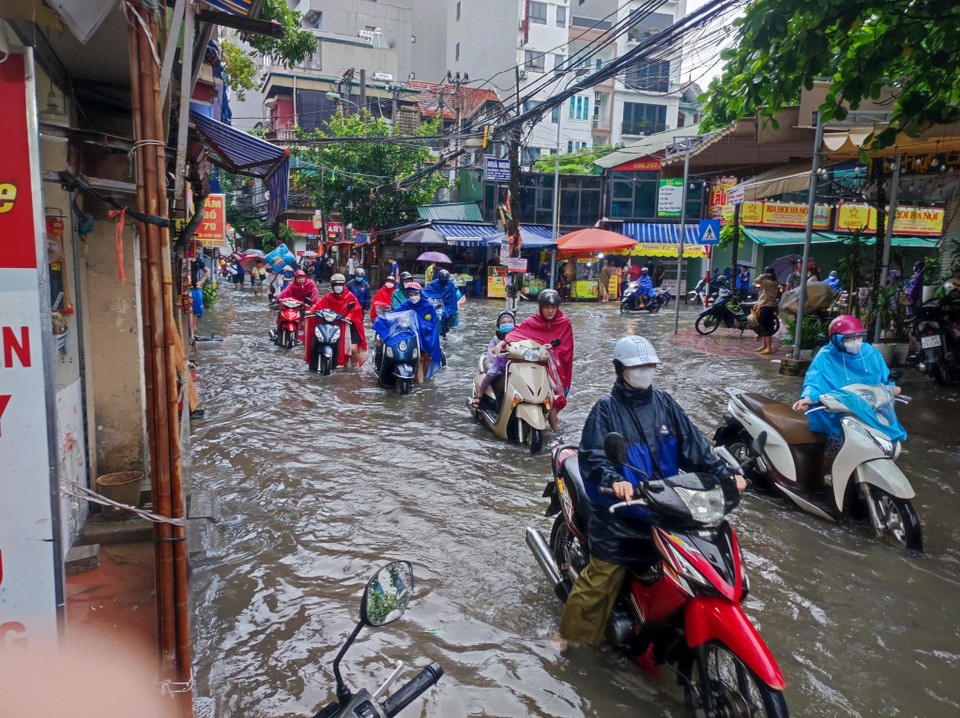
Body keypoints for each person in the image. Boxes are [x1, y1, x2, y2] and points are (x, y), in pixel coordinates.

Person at [558, 335, 746, 648]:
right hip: (620, 515)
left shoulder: (665, 404)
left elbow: (696, 449)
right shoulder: (606, 410)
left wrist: (726, 475)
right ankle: (566, 637)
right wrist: (614, 480)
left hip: (666, 507)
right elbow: (594, 457)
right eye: (637, 366)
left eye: (649, 366)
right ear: (621, 369)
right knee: (601, 578)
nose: (644, 371)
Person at [792, 315, 903, 462]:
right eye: (849, 338)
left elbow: (885, 378)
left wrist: (891, 389)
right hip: (838, 414)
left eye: (858, 336)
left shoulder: (870, 352)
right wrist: (807, 398)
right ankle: (829, 470)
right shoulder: (825, 356)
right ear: (836, 339)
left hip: (869, 411)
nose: (855, 341)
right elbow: (814, 382)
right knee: (835, 452)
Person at [493, 289, 573, 430]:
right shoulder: (533, 321)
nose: (550, 311)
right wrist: (500, 345)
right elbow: (518, 332)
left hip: (554, 368)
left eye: (553, 307)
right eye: (546, 307)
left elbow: (566, 349)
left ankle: (554, 428)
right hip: (534, 365)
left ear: (557, 308)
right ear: (541, 308)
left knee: (553, 395)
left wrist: (553, 354)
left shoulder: (564, 323)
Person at [307, 274, 366, 367]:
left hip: (348, 325)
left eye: (340, 284)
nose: (338, 287)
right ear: (332, 285)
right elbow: (318, 305)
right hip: (334, 325)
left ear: (344, 285)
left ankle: (354, 368)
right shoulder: (329, 297)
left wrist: (349, 316)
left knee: (353, 349)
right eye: (335, 284)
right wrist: (310, 311)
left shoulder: (350, 296)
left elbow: (356, 309)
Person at [390, 282, 442, 383]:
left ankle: (425, 378)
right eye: (411, 295)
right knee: (419, 358)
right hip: (414, 336)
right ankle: (421, 384)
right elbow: (395, 313)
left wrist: (421, 325)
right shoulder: (407, 304)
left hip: (428, 336)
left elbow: (432, 324)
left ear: (420, 294)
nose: (413, 297)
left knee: (428, 358)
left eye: (415, 294)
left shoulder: (429, 307)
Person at [470, 311, 516, 409]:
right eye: (503, 322)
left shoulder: (517, 336)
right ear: (499, 324)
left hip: (515, 364)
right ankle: (479, 395)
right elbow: (491, 350)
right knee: (490, 375)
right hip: (500, 364)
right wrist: (497, 354)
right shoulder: (497, 338)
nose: (507, 324)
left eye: (509, 322)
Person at [754, 266, 779, 355]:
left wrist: (763, 275)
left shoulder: (773, 283)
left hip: (768, 307)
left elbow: (756, 280)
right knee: (762, 327)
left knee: (767, 327)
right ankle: (764, 345)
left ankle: (769, 348)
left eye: (767, 273)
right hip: (762, 306)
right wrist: (757, 303)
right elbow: (761, 295)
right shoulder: (766, 284)